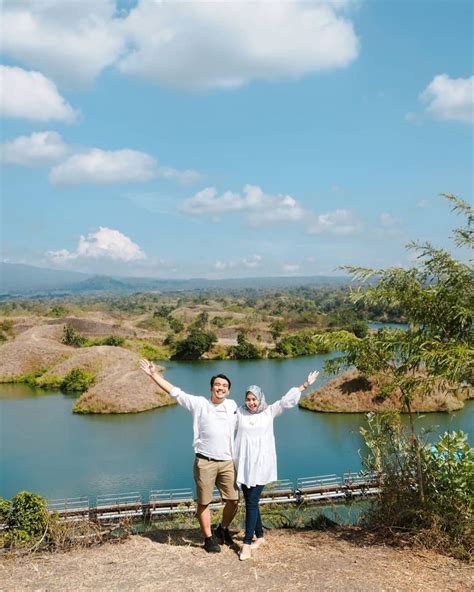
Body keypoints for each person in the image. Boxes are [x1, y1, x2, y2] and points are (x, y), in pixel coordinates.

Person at [140, 359, 239, 553]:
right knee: (204, 502)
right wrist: (154, 375)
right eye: (217, 384)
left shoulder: (232, 405)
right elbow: (175, 391)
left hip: (227, 461)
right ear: (211, 388)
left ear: (228, 391)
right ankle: (208, 538)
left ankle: (223, 529)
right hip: (205, 461)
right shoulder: (199, 404)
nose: (221, 388)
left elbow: (251, 413)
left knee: (234, 500)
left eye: (225, 386)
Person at [234, 370, 319, 561]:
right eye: (248, 399)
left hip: (262, 464)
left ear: (260, 398)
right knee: (249, 501)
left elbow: (285, 401)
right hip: (245, 464)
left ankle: (247, 543)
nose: (252, 402)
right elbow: (224, 426)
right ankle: (261, 537)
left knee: (252, 502)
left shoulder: (269, 411)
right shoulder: (239, 412)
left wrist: (304, 385)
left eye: (254, 399)